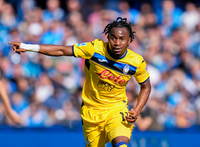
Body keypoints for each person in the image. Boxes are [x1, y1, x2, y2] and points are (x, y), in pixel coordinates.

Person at [9, 17, 151, 147]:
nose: (117, 43)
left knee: (121, 145)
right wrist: (28, 47)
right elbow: (61, 50)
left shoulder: (136, 62)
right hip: (91, 112)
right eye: (113, 38)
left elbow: (145, 86)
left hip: (116, 110)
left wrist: (137, 110)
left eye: (122, 39)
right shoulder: (95, 49)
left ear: (129, 40)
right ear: (107, 37)